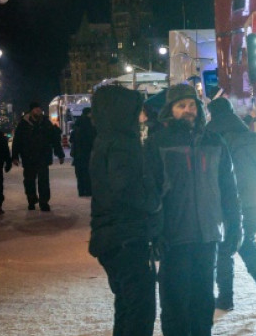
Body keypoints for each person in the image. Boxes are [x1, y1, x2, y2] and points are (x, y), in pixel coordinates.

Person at [145, 84, 241, 335]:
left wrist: (234, 226)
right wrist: (153, 233)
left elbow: (228, 189)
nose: (187, 110)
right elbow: (149, 192)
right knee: (175, 303)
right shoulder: (158, 143)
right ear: (170, 111)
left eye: (191, 105)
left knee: (202, 301)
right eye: (181, 106)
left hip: (207, 235)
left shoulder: (214, 141)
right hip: (173, 238)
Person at [88, 85, 162, 336]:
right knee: (140, 311)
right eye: (137, 110)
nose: (142, 115)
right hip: (125, 237)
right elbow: (127, 188)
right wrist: (154, 201)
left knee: (127, 306)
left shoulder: (106, 139)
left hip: (113, 237)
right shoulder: (122, 143)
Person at [206, 96, 256, 311]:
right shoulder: (255, 139)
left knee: (225, 248)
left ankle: (226, 298)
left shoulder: (215, 138)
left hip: (229, 202)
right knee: (248, 243)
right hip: (255, 201)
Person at [11, 102, 65, 211]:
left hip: (43, 157)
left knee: (44, 181)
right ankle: (31, 199)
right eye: (36, 109)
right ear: (31, 111)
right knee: (29, 181)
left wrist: (60, 154)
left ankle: (44, 202)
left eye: (39, 109)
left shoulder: (46, 123)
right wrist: (15, 156)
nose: (38, 111)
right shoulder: (23, 124)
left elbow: (54, 139)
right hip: (28, 157)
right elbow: (17, 141)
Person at [70, 107, 96, 197]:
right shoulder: (89, 124)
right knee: (87, 173)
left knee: (80, 173)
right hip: (87, 153)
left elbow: (71, 139)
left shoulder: (77, 124)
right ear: (89, 113)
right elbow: (92, 139)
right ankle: (88, 190)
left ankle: (81, 191)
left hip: (78, 154)